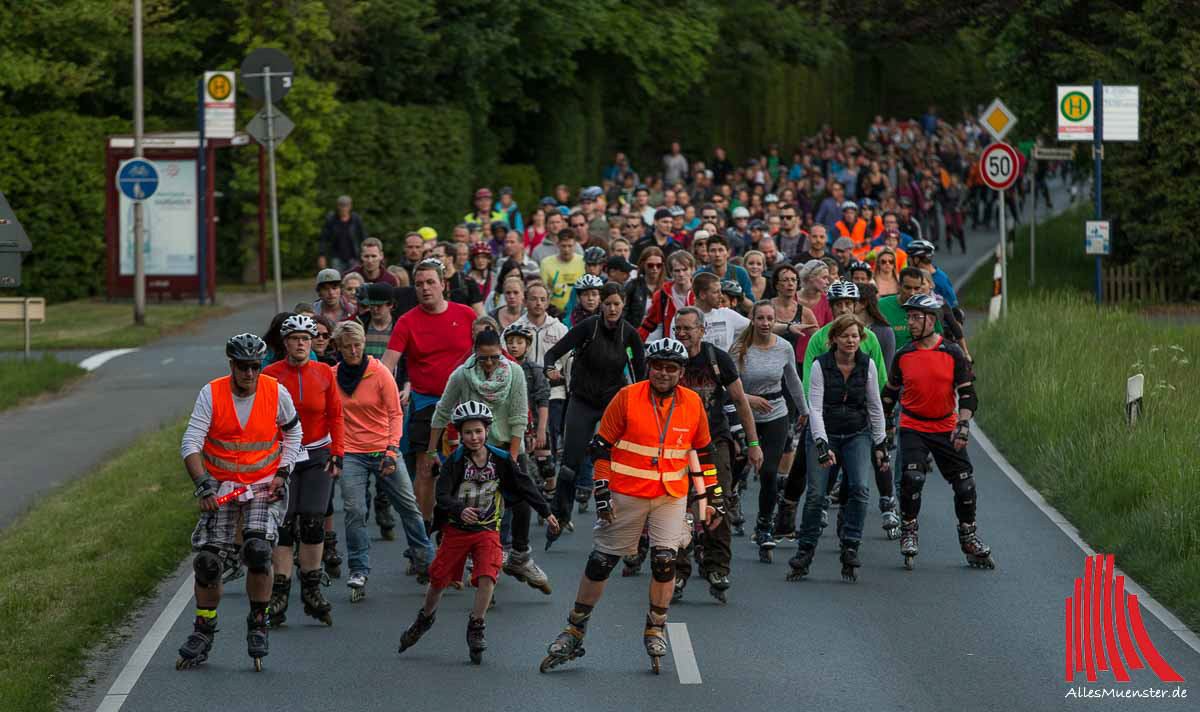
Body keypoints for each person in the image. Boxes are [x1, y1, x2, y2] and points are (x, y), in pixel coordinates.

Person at [539, 338, 720, 674]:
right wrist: (602, 491)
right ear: (647, 367)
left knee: (665, 559)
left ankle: (655, 627)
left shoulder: (692, 403)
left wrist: (712, 496)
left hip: (670, 493)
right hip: (627, 492)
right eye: (657, 366)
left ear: (681, 372)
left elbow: (703, 454)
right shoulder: (627, 397)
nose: (663, 373)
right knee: (601, 562)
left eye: (671, 368)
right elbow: (601, 448)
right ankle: (575, 629)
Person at [175, 333, 302, 671]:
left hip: (263, 483)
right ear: (231, 365)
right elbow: (191, 442)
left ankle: (258, 623)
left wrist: (283, 472)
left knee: (258, 551)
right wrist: (203, 486)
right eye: (243, 367)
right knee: (208, 563)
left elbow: (294, 433)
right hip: (221, 484)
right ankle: (204, 629)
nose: (249, 374)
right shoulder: (212, 392)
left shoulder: (276, 392)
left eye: (255, 367)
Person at [399, 401, 558, 664]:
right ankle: (425, 618)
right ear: (460, 435)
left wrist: (546, 512)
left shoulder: (501, 459)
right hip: (457, 531)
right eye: (468, 432)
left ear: (487, 430)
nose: (474, 437)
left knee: (488, 574)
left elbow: (525, 485)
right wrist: (459, 509)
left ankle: (476, 625)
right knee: (438, 580)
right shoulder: (455, 461)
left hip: (487, 529)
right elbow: (442, 494)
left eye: (478, 431)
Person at [882, 294, 993, 570]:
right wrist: (882, 430)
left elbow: (968, 395)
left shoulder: (952, 353)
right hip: (913, 425)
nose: (910, 322)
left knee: (965, 484)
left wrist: (964, 425)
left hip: (945, 426)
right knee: (912, 476)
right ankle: (909, 529)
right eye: (909, 317)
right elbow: (889, 396)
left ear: (932, 320)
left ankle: (969, 537)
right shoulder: (903, 355)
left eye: (916, 317)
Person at [334, 320, 435, 601]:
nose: (353, 350)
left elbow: (395, 414)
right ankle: (358, 569)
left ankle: (425, 559)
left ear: (364, 344)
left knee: (408, 506)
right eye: (347, 346)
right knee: (355, 510)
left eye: (357, 344)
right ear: (339, 348)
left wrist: (391, 449)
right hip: (351, 453)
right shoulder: (332, 377)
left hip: (383, 449)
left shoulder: (379, 373)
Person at [670, 308, 763, 603]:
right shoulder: (668, 361)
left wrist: (753, 443)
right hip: (675, 447)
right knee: (678, 509)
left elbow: (739, 401)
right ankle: (678, 572)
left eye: (687, 328)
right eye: (677, 328)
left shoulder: (716, 359)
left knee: (715, 502)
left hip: (712, 445)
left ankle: (717, 567)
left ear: (702, 330)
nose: (682, 334)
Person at [787, 314, 888, 582]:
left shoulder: (867, 366)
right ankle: (805, 551)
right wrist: (820, 443)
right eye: (845, 336)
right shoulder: (822, 365)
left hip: (857, 432)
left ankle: (851, 544)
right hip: (825, 432)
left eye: (855, 336)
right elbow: (815, 408)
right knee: (817, 494)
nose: (850, 341)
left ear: (861, 339)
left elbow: (875, 406)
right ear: (834, 339)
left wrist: (880, 442)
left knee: (860, 487)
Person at [542, 282, 646, 544]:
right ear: (601, 304)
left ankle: (625, 518)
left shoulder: (629, 335)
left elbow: (641, 374)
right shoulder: (589, 327)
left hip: (612, 402)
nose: (612, 309)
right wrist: (549, 370)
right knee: (569, 464)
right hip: (583, 400)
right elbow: (553, 353)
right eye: (608, 304)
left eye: (617, 304)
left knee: (619, 461)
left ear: (623, 305)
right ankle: (559, 516)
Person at [261, 315, 343, 628]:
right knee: (283, 521)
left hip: (318, 453)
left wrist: (338, 454)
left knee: (312, 518)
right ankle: (280, 590)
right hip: (283, 457)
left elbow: (336, 415)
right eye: (294, 338)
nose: (300, 344)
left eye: (306, 339)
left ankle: (310, 588)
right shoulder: (270, 374)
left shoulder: (323, 372)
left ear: (312, 343)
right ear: (285, 343)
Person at [381, 259, 476, 528]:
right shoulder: (407, 322)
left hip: (464, 403)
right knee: (426, 468)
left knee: (468, 466)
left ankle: (463, 526)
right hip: (426, 402)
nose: (425, 288)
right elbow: (388, 364)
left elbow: (489, 353)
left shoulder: (466, 314)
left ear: (444, 285)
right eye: (419, 284)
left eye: (430, 282)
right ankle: (424, 531)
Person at [730, 301, 806, 563]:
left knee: (769, 472)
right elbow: (727, 386)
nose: (764, 323)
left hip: (775, 413)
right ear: (751, 319)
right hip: (744, 412)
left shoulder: (783, 347)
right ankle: (727, 501)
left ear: (775, 322)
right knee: (736, 466)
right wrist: (749, 399)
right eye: (760, 318)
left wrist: (804, 410)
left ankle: (763, 526)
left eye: (769, 319)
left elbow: (793, 380)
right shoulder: (739, 347)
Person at [514, 282, 569, 497]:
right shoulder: (516, 328)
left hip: (554, 393)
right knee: (527, 445)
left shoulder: (559, 328)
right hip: (524, 394)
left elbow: (569, 361)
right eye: (533, 299)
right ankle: (531, 480)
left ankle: (549, 486)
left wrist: (566, 381)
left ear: (548, 302)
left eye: (542, 299)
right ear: (526, 301)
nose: (538, 303)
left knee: (549, 437)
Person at [879, 266, 942, 350]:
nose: (912, 293)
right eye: (908, 288)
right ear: (899, 286)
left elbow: (938, 338)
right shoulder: (881, 305)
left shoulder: (928, 308)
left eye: (916, 288)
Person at [638, 249, 696, 341]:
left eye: (685, 269)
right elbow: (649, 324)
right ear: (671, 272)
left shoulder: (700, 293)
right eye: (677, 271)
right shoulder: (662, 295)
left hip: (696, 346)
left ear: (693, 269)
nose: (681, 274)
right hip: (671, 347)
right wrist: (634, 341)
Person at [687, 272, 749, 352]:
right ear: (702, 295)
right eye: (716, 292)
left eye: (720, 291)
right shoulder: (683, 318)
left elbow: (755, 330)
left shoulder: (727, 314)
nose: (721, 296)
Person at [540, 229, 585, 315]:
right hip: (554, 311)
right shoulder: (546, 263)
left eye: (570, 246)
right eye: (563, 246)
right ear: (557, 244)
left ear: (575, 245)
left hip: (578, 311)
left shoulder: (583, 262)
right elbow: (543, 289)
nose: (566, 250)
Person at [906, 239, 959, 309]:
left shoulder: (941, 281)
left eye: (909, 257)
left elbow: (953, 306)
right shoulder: (917, 274)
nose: (907, 260)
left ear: (916, 259)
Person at [697, 233, 753, 298]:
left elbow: (751, 304)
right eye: (713, 250)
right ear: (707, 253)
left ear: (728, 253)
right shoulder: (700, 275)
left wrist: (739, 295)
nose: (717, 254)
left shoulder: (740, 273)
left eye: (721, 250)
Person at [318, 195, 365, 272]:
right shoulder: (331, 220)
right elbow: (323, 239)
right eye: (341, 205)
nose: (344, 208)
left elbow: (363, 237)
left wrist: (365, 253)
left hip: (353, 257)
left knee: (354, 280)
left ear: (350, 206)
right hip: (336, 257)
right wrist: (321, 255)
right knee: (337, 280)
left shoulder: (356, 220)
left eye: (346, 205)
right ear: (338, 206)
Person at [622, 246, 664, 328]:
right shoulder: (632, 286)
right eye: (650, 265)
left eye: (658, 265)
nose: (655, 268)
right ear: (643, 264)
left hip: (662, 337)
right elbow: (623, 314)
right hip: (637, 335)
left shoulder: (667, 287)